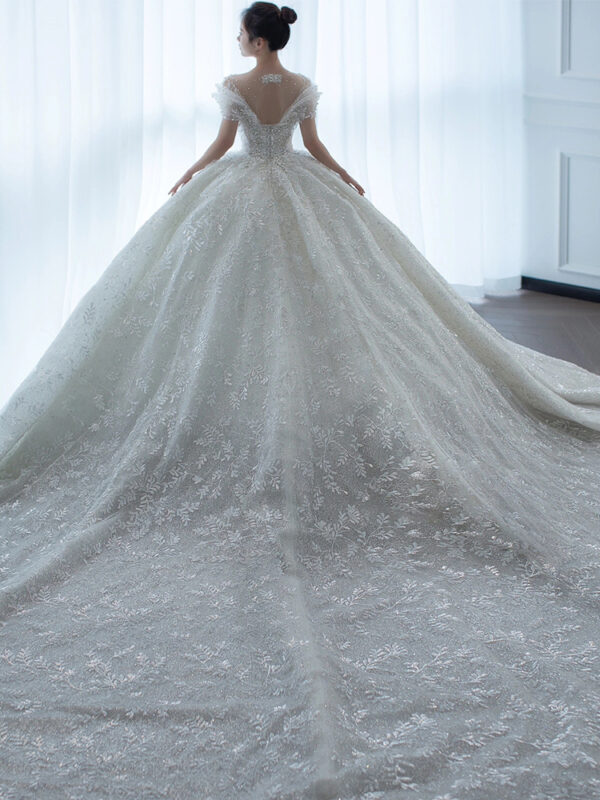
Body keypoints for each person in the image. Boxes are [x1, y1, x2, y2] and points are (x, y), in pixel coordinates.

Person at [1, 3, 600, 797]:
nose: (238, 44)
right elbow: (316, 148)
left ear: (253, 40)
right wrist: (343, 179)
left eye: (239, 33)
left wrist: (191, 175)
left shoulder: (234, 84)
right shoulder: (306, 82)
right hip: (301, 194)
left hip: (243, 197)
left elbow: (222, 148)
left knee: (230, 310)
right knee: (325, 301)